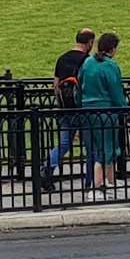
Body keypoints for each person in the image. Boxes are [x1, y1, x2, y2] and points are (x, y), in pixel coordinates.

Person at [43, 29, 94, 190]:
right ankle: (91, 182)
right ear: (90, 43)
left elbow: (56, 86)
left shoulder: (62, 59)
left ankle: (47, 168)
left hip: (65, 109)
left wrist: (62, 105)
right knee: (90, 146)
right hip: (83, 109)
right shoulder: (87, 61)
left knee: (64, 143)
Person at [79, 30, 127, 193]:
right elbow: (116, 91)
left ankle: (110, 182)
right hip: (106, 112)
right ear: (112, 49)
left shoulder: (88, 63)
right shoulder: (110, 66)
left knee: (101, 147)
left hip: (87, 110)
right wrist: (125, 110)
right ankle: (97, 187)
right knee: (107, 149)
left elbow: (79, 88)